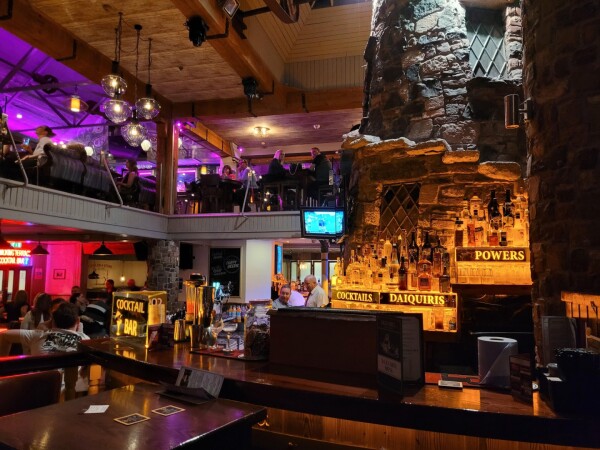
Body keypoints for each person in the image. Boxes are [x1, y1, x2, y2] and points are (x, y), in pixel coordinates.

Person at [0, 302, 89, 356]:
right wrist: (80, 330)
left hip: (38, 381)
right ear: (77, 321)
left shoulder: (38, 335)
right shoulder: (85, 340)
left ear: (52, 320)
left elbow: (4, 335)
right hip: (70, 383)